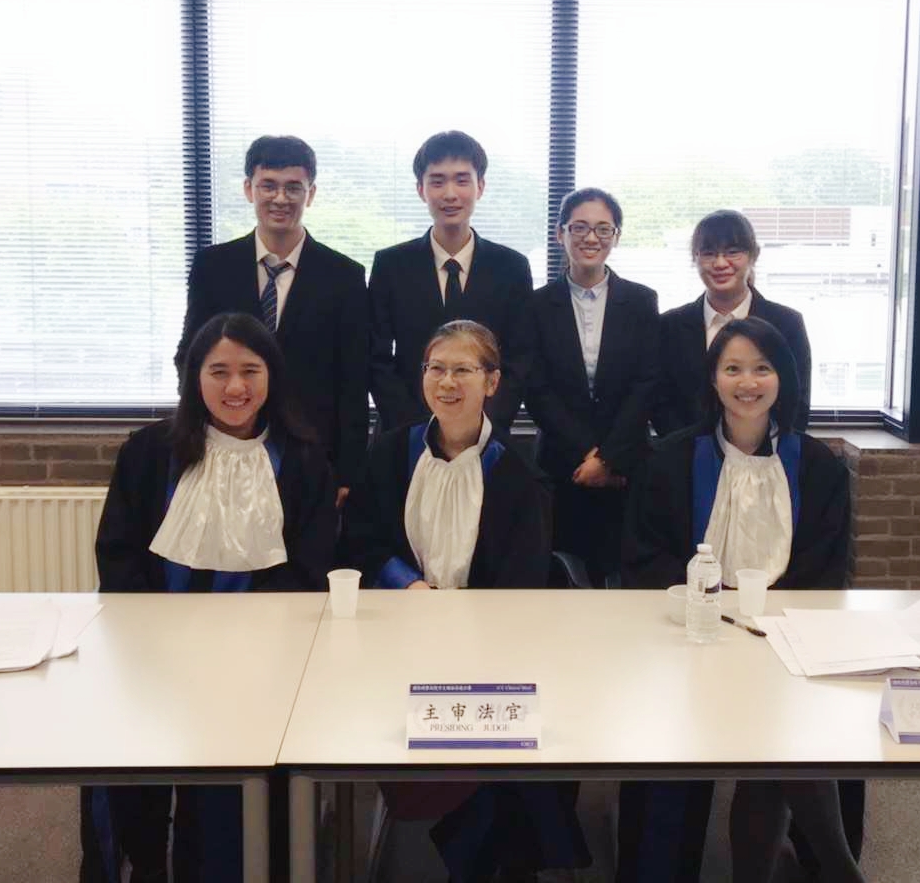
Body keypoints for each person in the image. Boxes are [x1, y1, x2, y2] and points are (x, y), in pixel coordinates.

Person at [82, 312, 337, 883]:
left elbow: (310, 566)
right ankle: (145, 865)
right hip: (154, 654)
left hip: (259, 662)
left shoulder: (302, 459)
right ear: (194, 377)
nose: (235, 387)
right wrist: (158, 637)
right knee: (137, 780)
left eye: (250, 370)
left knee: (230, 803)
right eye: (218, 371)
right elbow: (118, 553)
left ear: (272, 376)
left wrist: (245, 639)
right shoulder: (149, 453)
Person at [341, 320, 588, 881]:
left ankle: (486, 852)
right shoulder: (391, 453)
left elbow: (522, 587)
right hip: (397, 638)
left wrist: (463, 630)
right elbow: (360, 540)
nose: (447, 382)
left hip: (487, 650)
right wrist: (408, 584)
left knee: (505, 749)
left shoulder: (519, 475)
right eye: (436, 368)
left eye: (463, 370)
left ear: (492, 382)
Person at [619, 316, 862, 883]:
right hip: (689, 639)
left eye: (762, 368)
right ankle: (832, 870)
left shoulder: (818, 466)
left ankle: (804, 866)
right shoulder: (671, 459)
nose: (747, 382)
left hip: (786, 641)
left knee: (785, 734)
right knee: (773, 744)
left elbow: (826, 570)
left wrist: (768, 625)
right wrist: (712, 606)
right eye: (732, 368)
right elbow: (644, 556)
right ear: (713, 379)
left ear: (783, 378)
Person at [176, 134, 368, 507]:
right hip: (226, 443)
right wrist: (194, 435)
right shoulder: (212, 266)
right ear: (249, 189)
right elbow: (190, 356)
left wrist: (349, 469)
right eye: (269, 185)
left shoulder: (344, 275)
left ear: (310, 194)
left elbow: (353, 378)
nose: (280, 198)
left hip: (312, 452)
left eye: (293, 187)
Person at [523, 188, 659, 585]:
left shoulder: (641, 300)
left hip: (626, 466)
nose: (591, 238)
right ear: (560, 234)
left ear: (616, 236)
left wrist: (609, 458)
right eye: (579, 227)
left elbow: (647, 382)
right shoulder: (535, 305)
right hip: (562, 463)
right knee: (563, 579)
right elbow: (536, 387)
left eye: (603, 229)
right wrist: (587, 453)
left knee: (626, 578)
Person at [367, 130, 533, 432]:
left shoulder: (511, 267)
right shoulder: (391, 265)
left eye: (462, 180)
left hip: (486, 436)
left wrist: (478, 428)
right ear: (421, 189)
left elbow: (519, 361)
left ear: (480, 186)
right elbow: (376, 358)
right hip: (405, 434)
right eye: (438, 181)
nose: (450, 194)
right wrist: (417, 430)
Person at [652, 209, 812, 435]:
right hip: (685, 452)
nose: (720, 263)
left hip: (769, 452)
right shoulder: (670, 326)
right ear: (695, 258)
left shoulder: (787, 323)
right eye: (708, 253)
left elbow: (796, 402)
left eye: (733, 252)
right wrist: (690, 448)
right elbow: (660, 402)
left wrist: (760, 448)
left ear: (754, 255)